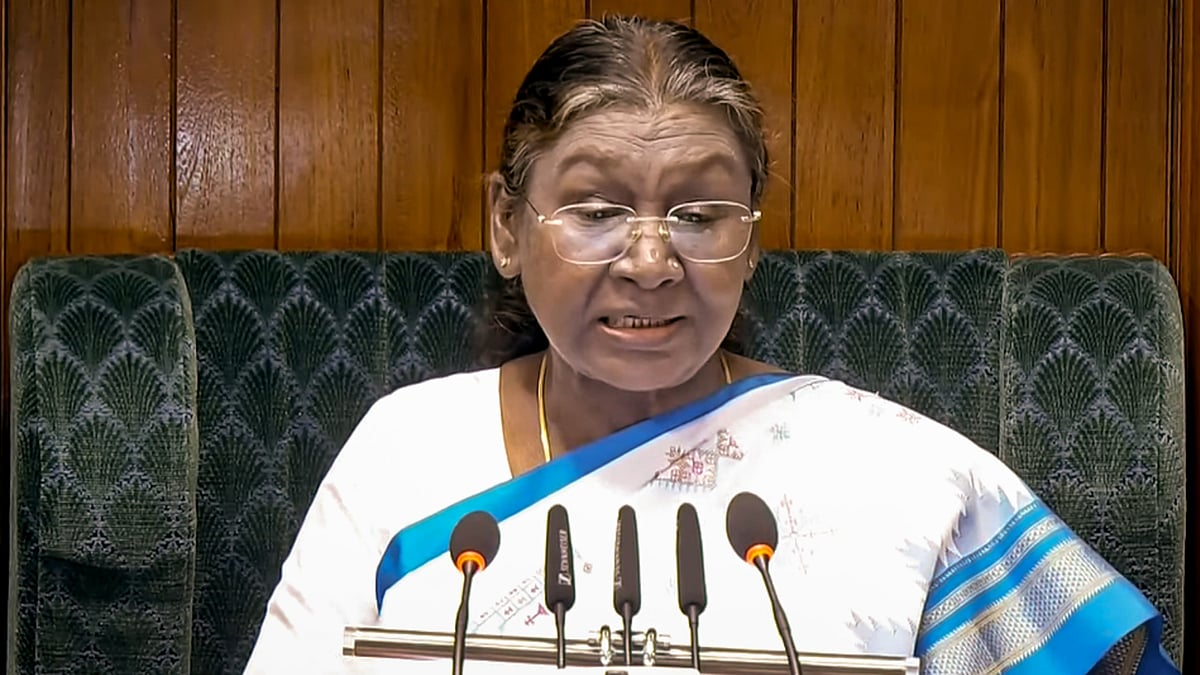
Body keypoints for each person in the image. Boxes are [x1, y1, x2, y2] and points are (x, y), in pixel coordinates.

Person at [243, 15, 1179, 675]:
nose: (652, 263)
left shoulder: (892, 468)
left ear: (752, 236)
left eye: (699, 214)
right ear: (506, 224)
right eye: (596, 210)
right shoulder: (406, 449)